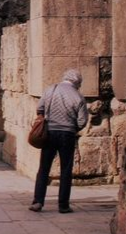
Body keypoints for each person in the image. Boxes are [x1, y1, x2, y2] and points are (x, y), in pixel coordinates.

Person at [29, 69, 89, 213]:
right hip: (67, 134)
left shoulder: (51, 90)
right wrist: (72, 128)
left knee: (44, 167)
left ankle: (38, 202)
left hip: (49, 132)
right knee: (66, 169)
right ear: (77, 82)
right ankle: (63, 205)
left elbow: (40, 108)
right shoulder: (78, 97)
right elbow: (82, 121)